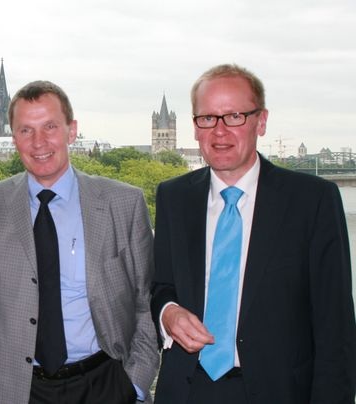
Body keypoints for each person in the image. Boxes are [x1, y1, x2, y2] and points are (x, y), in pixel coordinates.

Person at [151, 63, 356, 403]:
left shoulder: (312, 200)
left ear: (261, 121)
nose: (219, 131)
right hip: (187, 390)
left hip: (280, 392)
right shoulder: (174, 196)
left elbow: (335, 326)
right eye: (207, 118)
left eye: (234, 116)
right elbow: (160, 286)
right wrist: (167, 311)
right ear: (194, 127)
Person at [0, 80, 159, 403]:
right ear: (13, 138)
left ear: (71, 130)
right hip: (16, 391)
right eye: (26, 130)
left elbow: (148, 301)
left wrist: (133, 383)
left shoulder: (124, 203)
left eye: (50, 127)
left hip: (104, 386)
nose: (39, 142)